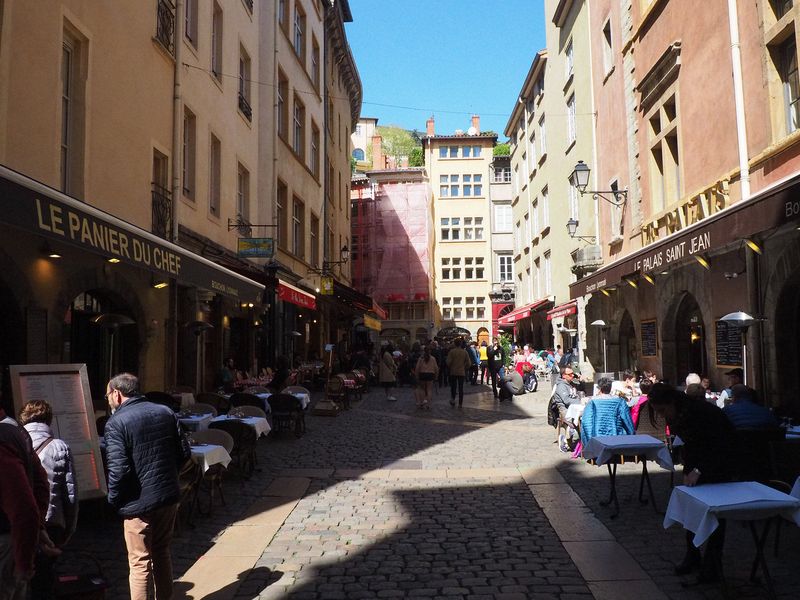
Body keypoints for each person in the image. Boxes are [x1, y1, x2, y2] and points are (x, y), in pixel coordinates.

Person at [104, 372, 191, 600]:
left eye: (108, 396)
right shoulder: (165, 411)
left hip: (137, 502)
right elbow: (184, 453)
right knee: (162, 551)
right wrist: (169, 476)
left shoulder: (116, 422)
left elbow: (119, 470)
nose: (108, 400)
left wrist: (113, 499)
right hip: (167, 495)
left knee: (140, 561)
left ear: (117, 394)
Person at [647, 383, 736, 583]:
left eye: (662, 410)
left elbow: (716, 445)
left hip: (719, 464)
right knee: (691, 509)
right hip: (698, 463)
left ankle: (713, 564)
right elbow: (692, 446)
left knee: (715, 513)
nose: (661, 415)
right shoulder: (679, 414)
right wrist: (689, 470)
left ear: (671, 402)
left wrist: (698, 470)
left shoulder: (699, 413)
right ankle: (693, 555)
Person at [19, 401, 79, 599]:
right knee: (44, 577)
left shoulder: (13, 442)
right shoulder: (60, 447)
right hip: (52, 521)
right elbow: (70, 493)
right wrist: (68, 528)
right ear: (49, 419)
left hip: (20, 519)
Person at [0, 407, 59, 600]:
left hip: (7, 542)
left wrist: (24, 561)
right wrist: (38, 528)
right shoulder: (15, 428)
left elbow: (24, 507)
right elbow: (41, 484)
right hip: (16, 540)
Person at [579, 377, 635, 447]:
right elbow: (627, 420)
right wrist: (632, 434)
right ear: (610, 388)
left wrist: (588, 439)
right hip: (616, 436)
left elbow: (586, 421)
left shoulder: (592, 401)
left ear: (599, 388)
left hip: (597, 436)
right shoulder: (620, 401)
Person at [551, 366, 581, 452]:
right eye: (570, 374)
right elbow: (566, 400)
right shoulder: (561, 386)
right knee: (578, 421)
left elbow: (581, 390)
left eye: (573, 373)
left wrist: (579, 380)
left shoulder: (571, 383)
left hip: (574, 408)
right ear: (564, 375)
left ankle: (580, 440)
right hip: (564, 409)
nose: (573, 375)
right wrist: (580, 401)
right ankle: (565, 440)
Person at [445, 338, 471, 408]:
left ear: (455, 344)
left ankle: (453, 399)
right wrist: (464, 367)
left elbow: (448, 362)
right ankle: (460, 403)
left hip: (453, 372)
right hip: (461, 372)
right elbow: (469, 363)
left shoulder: (452, 352)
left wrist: (451, 366)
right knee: (460, 388)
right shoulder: (464, 352)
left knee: (453, 387)